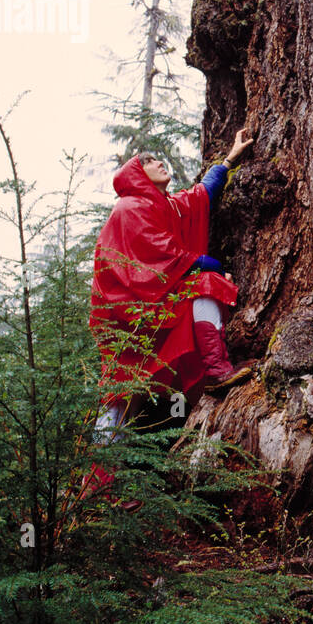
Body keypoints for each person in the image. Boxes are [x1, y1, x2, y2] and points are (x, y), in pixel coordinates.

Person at [87, 128, 255, 458]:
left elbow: (201, 195)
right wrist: (205, 263)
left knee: (206, 284)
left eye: (157, 158)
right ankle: (97, 486)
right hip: (130, 320)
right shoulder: (131, 207)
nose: (158, 162)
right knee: (121, 394)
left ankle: (217, 370)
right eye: (148, 161)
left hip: (155, 308)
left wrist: (230, 159)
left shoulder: (165, 206)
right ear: (136, 173)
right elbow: (156, 255)